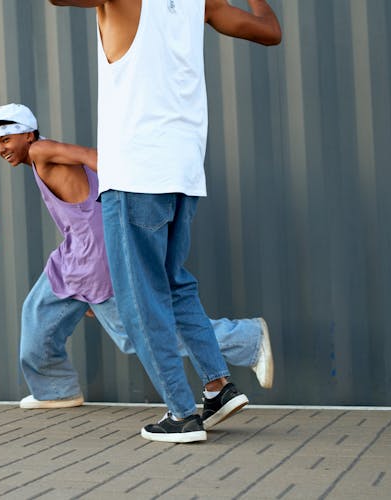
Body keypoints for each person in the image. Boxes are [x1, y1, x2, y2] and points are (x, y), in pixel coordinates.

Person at [47, 0, 282, 442]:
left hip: (136, 174)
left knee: (141, 304)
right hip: (184, 174)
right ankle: (217, 388)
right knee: (174, 286)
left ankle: (181, 414)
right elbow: (270, 31)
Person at [0, 103, 274, 414]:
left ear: (29, 134)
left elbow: (93, 156)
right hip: (76, 253)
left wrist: (136, 188)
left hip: (95, 256)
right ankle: (55, 389)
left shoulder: (41, 150)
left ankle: (247, 340)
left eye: (6, 139)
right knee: (39, 312)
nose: (1, 149)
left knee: (134, 334)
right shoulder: (41, 158)